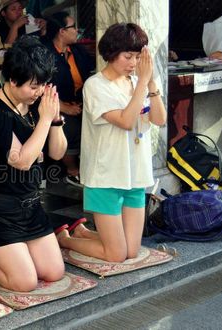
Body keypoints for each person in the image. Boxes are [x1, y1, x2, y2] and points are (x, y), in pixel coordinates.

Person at [56, 23, 166, 262]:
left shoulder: (137, 82)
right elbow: (126, 121)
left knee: (131, 251)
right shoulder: (95, 85)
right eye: (128, 56)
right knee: (116, 254)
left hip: (134, 174)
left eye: (138, 57)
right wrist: (141, 84)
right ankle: (66, 239)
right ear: (112, 53)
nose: (134, 63)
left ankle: (83, 230)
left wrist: (151, 84)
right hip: (105, 176)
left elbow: (160, 119)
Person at [0, 36, 67, 292]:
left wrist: (54, 120)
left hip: (31, 207)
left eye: (42, 85)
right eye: (33, 86)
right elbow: (21, 161)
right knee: (25, 282)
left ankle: (19, 254)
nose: (38, 92)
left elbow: (56, 152)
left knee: (54, 272)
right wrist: (45, 120)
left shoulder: (36, 105)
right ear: (12, 80)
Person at [42, 12, 94, 187]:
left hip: (79, 101)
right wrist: (62, 107)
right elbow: (40, 86)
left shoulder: (77, 51)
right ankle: (72, 170)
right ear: (61, 31)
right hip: (53, 104)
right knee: (71, 126)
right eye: (73, 27)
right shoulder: (45, 54)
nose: (77, 30)